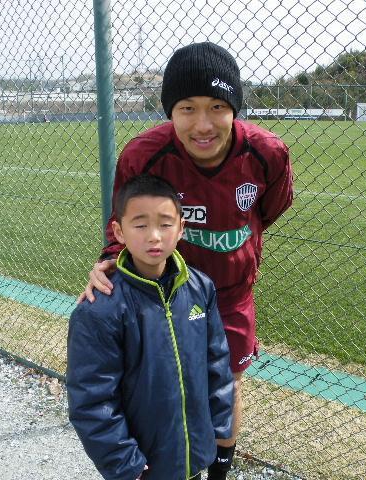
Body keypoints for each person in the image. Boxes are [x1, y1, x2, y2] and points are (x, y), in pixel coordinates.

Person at [78, 41, 294, 479]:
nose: (203, 124)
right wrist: (109, 260)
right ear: (169, 112)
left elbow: (270, 208)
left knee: (226, 382)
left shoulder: (267, 152)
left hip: (230, 295)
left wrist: (238, 242)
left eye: (217, 107)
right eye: (187, 108)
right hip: (166, 293)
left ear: (235, 108)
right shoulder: (143, 155)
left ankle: (220, 467)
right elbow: (125, 218)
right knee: (160, 384)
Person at [67, 174, 234, 480]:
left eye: (165, 224)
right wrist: (125, 463)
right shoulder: (100, 310)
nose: (154, 236)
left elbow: (217, 365)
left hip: (195, 453)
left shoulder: (200, 288)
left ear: (181, 228)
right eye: (141, 225)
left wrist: (216, 429)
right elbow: (92, 399)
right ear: (119, 231)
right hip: (144, 467)